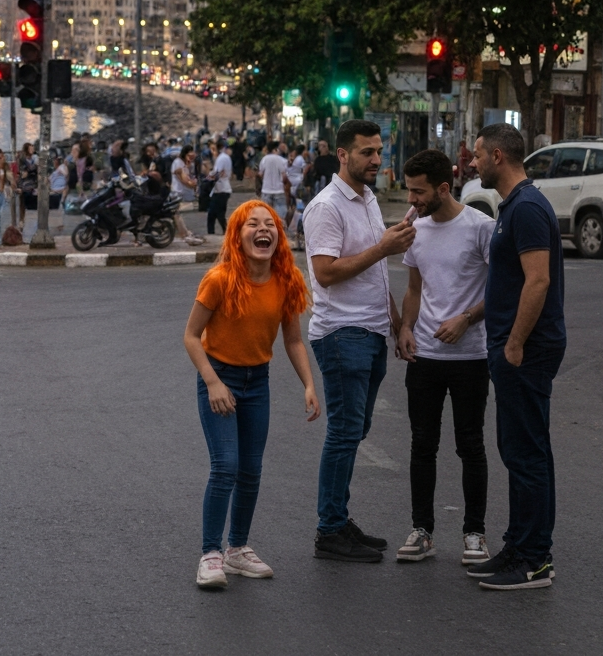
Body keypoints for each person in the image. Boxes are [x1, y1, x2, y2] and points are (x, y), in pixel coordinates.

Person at [184, 200, 320, 589]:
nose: (263, 230)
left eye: (270, 224)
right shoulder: (220, 279)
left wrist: (309, 384)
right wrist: (213, 382)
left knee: (251, 470)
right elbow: (192, 337)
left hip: (257, 383)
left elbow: (293, 339)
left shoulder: (285, 280)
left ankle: (237, 549)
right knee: (225, 466)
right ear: (237, 236)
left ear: (278, 235)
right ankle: (211, 554)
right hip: (220, 376)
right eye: (252, 225)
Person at [302, 119, 415, 562]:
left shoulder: (367, 198)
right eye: (367, 152)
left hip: (370, 331)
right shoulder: (326, 207)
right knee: (345, 432)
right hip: (341, 332)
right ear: (343, 155)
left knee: (355, 430)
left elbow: (374, 271)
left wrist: (396, 322)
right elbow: (326, 274)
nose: (376, 159)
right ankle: (329, 529)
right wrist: (384, 248)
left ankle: (338, 519)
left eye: (379, 150)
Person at [466, 123, 566, 591]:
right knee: (520, 449)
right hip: (515, 344)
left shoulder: (525, 207)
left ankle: (534, 560)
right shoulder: (516, 205)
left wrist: (514, 343)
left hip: (525, 348)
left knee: (526, 453)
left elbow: (538, 280)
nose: (472, 162)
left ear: (499, 157)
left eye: (478, 155)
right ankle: (518, 547)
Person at [394, 149, 494, 566]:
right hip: (426, 358)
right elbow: (415, 288)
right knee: (422, 444)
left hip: (471, 356)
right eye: (409, 192)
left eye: (419, 193)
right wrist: (404, 327)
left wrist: (467, 320)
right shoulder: (415, 229)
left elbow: (502, 289)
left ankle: (474, 534)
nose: (412, 201)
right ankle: (422, 530)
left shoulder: (481, 228)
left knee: (470, 445)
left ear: (443, 188)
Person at [170, 145, 204, 246]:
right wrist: (192, 184)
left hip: (181, 192)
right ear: (185, 154)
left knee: (176, 214)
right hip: (177, 192)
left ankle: (183, 233)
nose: (192, 157)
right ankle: (184, 234)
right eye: (190, 155)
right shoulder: (178, 163)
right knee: (177, 214)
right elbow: (184, 180)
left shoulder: (184, 164)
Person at [207, 139, 233, 236]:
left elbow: (216, 173)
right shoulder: (223, 158)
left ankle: (226, 232)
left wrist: (208, 175)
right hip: (220, 189)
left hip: (222, 189)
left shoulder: (222, 158)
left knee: (218, 213)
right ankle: (215, 233)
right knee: (214, 214)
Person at [258, 141, 288, 215]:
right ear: (275, 149)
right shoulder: (281, 160)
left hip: (266, 190)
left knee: (266, 213)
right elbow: (284, 174)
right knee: (280, 214)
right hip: (279, 190)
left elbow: (260, 174)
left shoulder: (264, 159)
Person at [285, 145, 306, 228]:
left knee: (293, 204)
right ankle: (297, 225)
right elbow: (304, 170)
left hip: (290, 183)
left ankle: (290, 224)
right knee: (299, 205)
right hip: (298, 183)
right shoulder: (300, 159)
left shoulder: (293, 159)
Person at [18, 142, 39, 214]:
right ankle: (22, 219)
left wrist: (31, 170)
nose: (32, 149)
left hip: (33, 181)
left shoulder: (35, 157)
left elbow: (35, 169)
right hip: (25, 183)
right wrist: (33, 167)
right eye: (30, 148)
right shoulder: (22, 159)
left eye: (33, 148)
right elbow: (23, 171)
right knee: (23, 202)